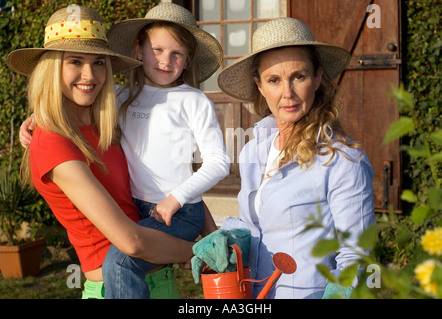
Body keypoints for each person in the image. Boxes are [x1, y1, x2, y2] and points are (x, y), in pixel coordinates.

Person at [8, 5, 196, 299]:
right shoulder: (52, 140)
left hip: (161, 281)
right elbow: (130, 242)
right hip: (114, 287)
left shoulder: (109, 123)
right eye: (74, 61)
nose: (89, 74)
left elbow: (172, 177)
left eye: (98, 62)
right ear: (51, 68)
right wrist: (196, 250)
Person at [190, 17, 376, 299]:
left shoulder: (342, 160)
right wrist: (229, 241)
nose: (287, 94)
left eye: (298, 77)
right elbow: (252, 224)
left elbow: (357, 254)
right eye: (274, 80)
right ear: (260, 86)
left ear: (317, 78)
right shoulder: (255, 148)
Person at [98, 2, 229, 299]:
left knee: (120, 262)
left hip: (179, 213)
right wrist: (34, 120)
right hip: (134, 208)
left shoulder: (193, 101)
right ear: (138, 50)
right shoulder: (119, 97)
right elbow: (77, 114)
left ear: (187, 60)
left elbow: (219, 162)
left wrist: (175, 199)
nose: (165, 60)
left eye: (176, 53)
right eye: (156, 50)